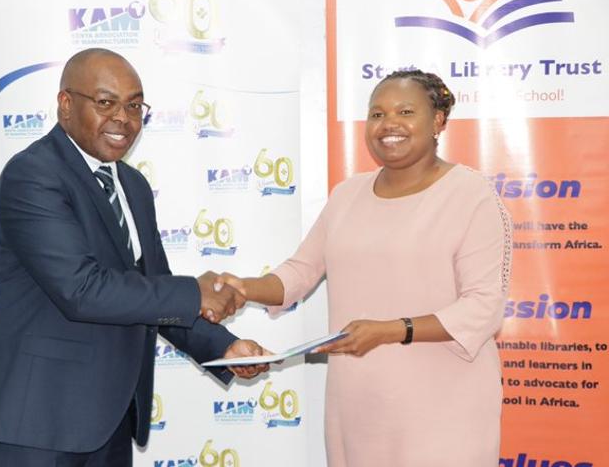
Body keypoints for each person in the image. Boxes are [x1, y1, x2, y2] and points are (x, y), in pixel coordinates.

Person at [0, 48, 268, 466]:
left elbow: (153, 290)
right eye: (106, 102)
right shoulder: (33, 175)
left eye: (134, 106)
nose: (123, 118)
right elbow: (81, 289)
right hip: (37, 421)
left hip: (109, 419)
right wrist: (195, 292)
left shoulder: (133, 185)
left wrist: (225, 346)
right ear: (66, 104)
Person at [217, 70, 512, 466]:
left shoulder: (472, 195)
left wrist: (390, 330)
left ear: (438, 121)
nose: (388, 124)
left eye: (405, 112)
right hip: (358, 405)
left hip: (444, 406)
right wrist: (243, 287)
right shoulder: (347, 194)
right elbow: (299, 272)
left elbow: (483, 307)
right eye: (377, 114)